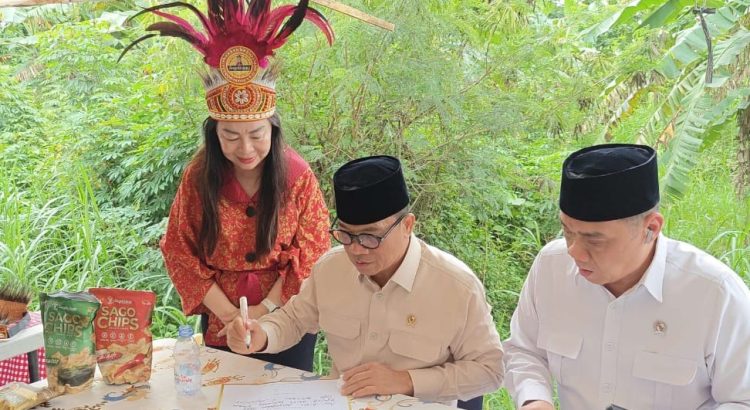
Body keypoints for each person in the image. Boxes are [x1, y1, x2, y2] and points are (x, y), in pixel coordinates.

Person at [120, 0, 335, 371]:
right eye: (231, 136)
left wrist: (264, 310)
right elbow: (178, 248)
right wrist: (229, 315)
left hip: (287, 317)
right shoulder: (198, 176)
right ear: (214, 134)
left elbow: (313, 251)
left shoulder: (298, 176)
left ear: (273, 130)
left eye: (256, 134)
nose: (245, 149)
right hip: (221, 319)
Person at [222, 155, 504, 408]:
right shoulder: (331, 269)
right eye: (346, 235)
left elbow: (490, 371)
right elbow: (294, 320)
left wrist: (407, 380)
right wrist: (261, 335)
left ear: (407, 225)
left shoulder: (457, 287)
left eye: (371, 236)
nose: (356, 250)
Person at [503, 144, 750, 409]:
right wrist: (534, 399)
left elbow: (742, 399)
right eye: (567, 232)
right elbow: (524, 350)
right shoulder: (551, 267)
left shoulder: (715, 294)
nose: (574, 252)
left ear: (651, 228)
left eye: (594, 240)